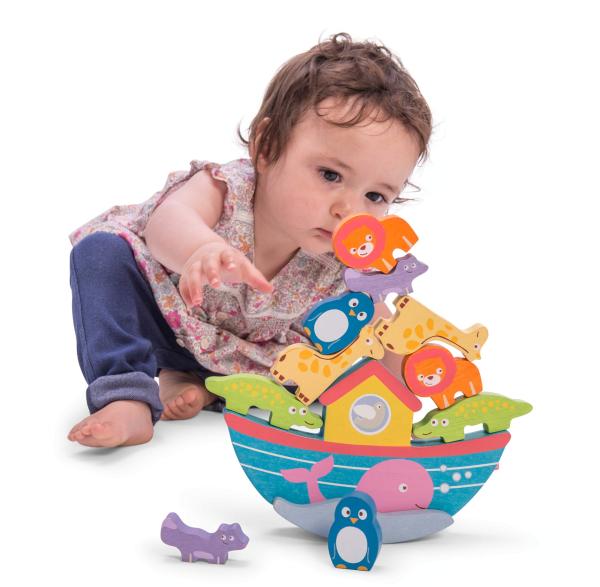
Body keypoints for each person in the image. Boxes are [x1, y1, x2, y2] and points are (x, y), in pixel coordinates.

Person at [67, 32, 432, 448]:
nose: (349, 211)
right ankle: (126, 394)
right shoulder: (228, 188)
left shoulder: (347, 261)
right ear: (267, 147)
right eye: (330, 175)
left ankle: (202, 383)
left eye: (375, 196)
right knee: (101, 254)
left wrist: (408, 368)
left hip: (253, 357)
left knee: (331, 362)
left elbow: (379, 326)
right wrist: (200, 249)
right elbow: (166, 222)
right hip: (168, 320)